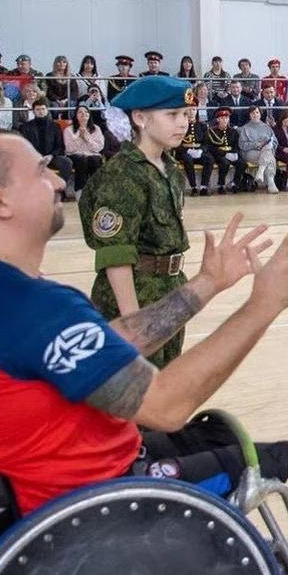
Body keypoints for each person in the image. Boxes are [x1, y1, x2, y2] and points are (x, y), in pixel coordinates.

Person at [0, 126, 288, 514]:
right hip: (87, 504)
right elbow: (165, 405)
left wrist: (206, 285)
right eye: (41, 171)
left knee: (219, 439)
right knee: (263, 460)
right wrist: (264, 304)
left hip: (16, 498)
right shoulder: (29, 305)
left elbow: (111, 343)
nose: (57, 180)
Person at [78, 76, 196, 368]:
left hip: (167, 290)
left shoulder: (170, 170)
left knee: (164, 381)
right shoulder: (122, 174)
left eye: (185, 115)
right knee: (133, 391)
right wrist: (132, 321)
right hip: (134, 296)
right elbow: (115, 252)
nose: (182, 123)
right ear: (140, 118)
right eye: (172, 115)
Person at [63, 103, 106, 192]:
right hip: (75, 155)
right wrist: (79, 136)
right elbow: (69, 149)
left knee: (95, 160)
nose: (83, 114)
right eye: (80, 112)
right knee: (81, 160)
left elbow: (99, 148)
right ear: (76, 115)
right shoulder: (68, 130)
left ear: (89, 115)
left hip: (92, 155)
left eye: (86, 112)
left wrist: (87, 139)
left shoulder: (96, 129)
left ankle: (96, 191)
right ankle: (80, 191)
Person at [175, 102, 214, 196]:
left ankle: (204, 186)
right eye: (189, 109)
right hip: (184, 152)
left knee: (209, 159)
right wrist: (187, 150)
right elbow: (176, 143)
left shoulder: (202, 125)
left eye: (193, 109)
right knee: (187, 159)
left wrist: (201, 150)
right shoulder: (179, 125)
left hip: (198, 151)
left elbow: (206, 142)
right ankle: (193, 187)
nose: (191, 112)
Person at [239, 105, 279, 194]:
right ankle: (271, 183)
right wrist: (256, 144)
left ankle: (261, 171)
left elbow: (275, 142)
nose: (255, 114)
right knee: (270, 157)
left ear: (260, 114)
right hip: (251, 152)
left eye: (257, 112)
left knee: (268, 149)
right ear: (249, 115)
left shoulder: (267, 127)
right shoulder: (245, 128)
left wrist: (268, 144)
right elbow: (242, 145)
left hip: (265, 151)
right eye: (253, 113)